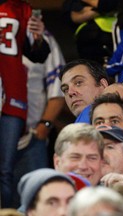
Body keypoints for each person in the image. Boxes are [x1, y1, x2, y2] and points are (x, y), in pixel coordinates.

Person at [0, 0, 50, 208]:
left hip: (12, 96)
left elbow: (37, 54)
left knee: (4, 170)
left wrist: (38, 39)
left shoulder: (22, 7)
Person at [11, 29, 66, 208]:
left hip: (31, 139)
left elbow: (58, 89)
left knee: (36, 203)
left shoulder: (41, 36)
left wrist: (44, 126)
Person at [62, 0, 116, 65]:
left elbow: (110, 4)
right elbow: (73, 15)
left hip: (119, 36)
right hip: (92, 39)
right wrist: (106, 8)